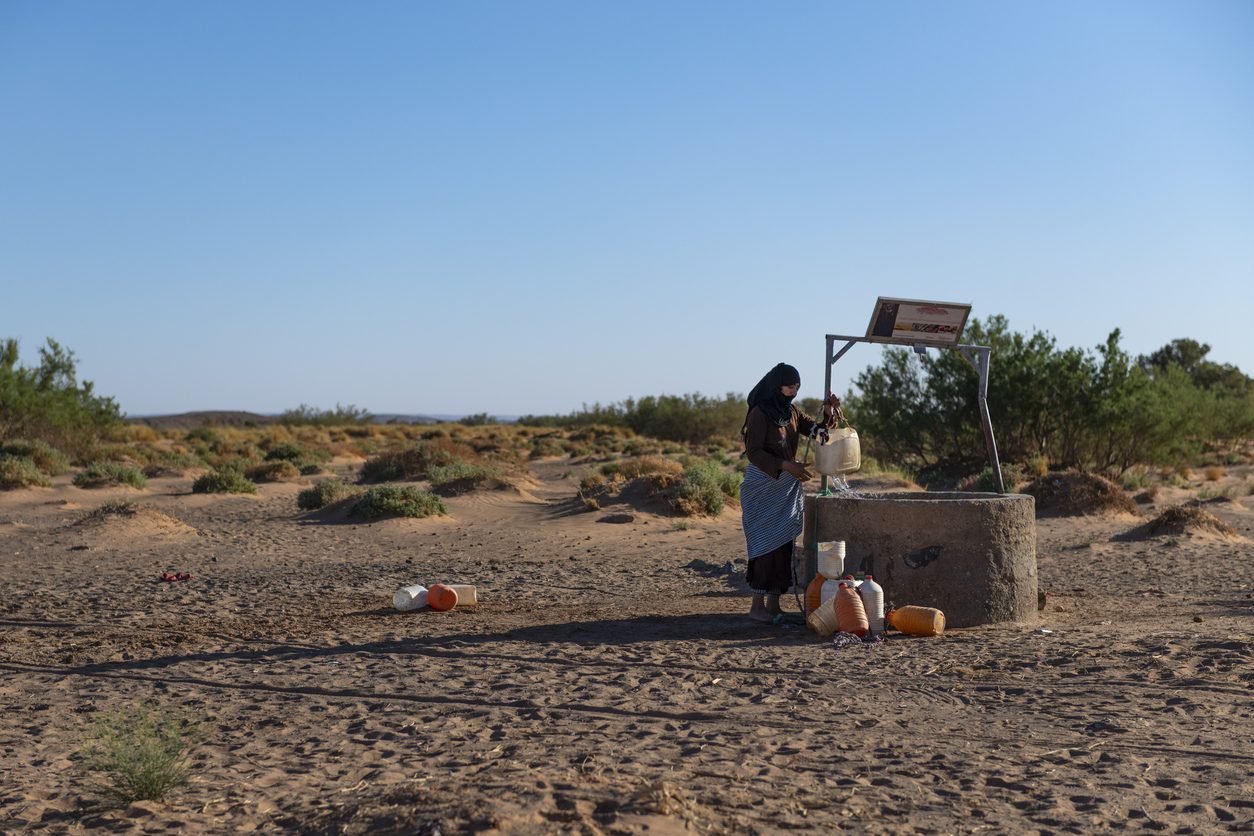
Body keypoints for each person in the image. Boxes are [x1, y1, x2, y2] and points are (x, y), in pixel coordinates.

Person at [740, 362, 842, 623]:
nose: (793, 392)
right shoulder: (759, 413)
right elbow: (754, 453)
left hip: (785, 486)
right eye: (789, 387)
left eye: (797, 388)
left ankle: (773, 605)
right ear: (776, 386)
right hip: (763, 485)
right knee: (764, 546)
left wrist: (830, 415)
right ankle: (757, 607)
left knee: (783, 544)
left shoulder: (792, 412)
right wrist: (786, 465)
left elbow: (818, 431)